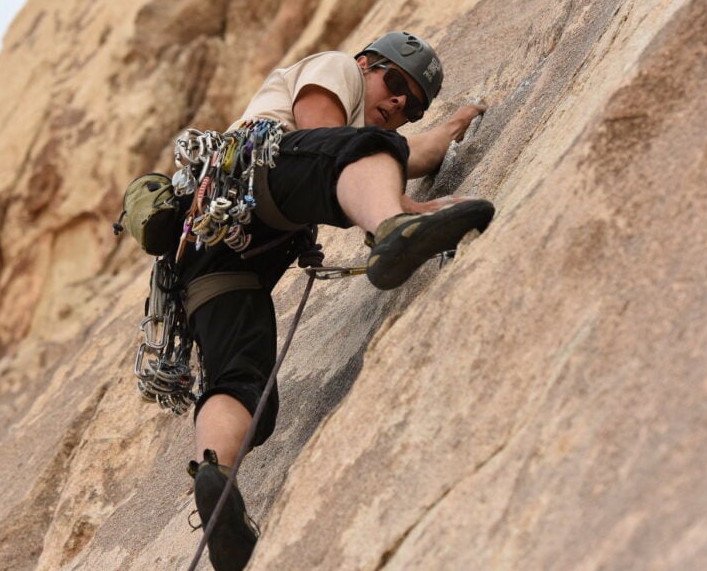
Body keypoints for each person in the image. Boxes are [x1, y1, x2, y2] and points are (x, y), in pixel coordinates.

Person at [177, 31, 492, 571]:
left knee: (244, 381)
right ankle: (390, 231)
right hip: (257, 178)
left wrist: (461, 119)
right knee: (362, 148)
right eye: (394, 84)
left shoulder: (375, 135)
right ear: (367, 64)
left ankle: (217, 481)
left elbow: (410, 152)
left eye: (409, 107)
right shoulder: (336, 69)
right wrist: (406, 210)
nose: (396, 105)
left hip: (213, 253)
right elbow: (327, 140)